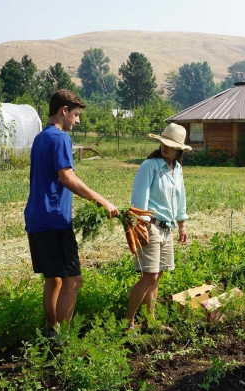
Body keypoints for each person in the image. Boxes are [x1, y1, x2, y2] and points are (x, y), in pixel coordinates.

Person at [24, 90, 119, 340]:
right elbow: (67, 177)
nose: (77, 121)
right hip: (54, 219)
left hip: (36, 218)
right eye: (76, 115)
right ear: (64, 110)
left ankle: (50, 331)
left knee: (54, 279)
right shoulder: (59, 138)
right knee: (74, 280)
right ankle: (64, 338)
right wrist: (101, 200)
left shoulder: (40, 138)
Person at [125, 123, 191, 333]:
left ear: (179, 149)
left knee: (158, 275)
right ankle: (128, 323)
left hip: (167, 228)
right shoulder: (150, 166)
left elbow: (180, 198)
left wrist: (181, 225)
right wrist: (140, 225)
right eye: (163, 142)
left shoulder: (177, 169)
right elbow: (139, 199)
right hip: (150, 226)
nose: (165, 147)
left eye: (170, 145)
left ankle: (150, 322)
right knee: (149, 276)